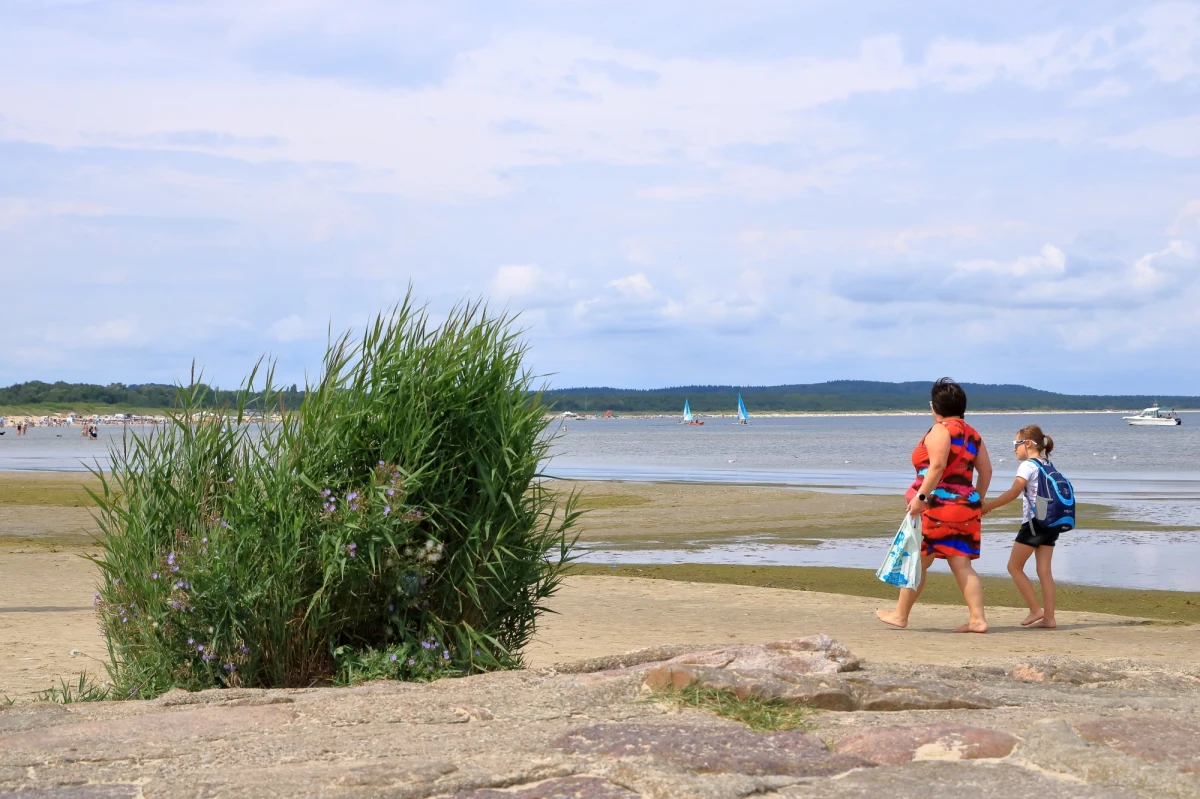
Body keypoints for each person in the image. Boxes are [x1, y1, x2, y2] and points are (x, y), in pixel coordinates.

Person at [877, 378, 993, 633]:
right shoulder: (973, 434)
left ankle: (900, 614)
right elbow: (986, 472)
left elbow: (938, 466)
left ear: (934, 406)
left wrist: (920, 498)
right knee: (962, 564)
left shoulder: (940, 430)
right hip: (966, 507)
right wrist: (978, 501)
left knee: (916, 561)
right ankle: (977, 619)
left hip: (937, 506)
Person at [981, 425, 1058, 629]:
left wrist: (987, 506)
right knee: (1045, 571)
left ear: (1028, 444)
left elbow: (1014, 491)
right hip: (1050, 522)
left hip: (1034, 524)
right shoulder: (1047, 464)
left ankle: (1035, 610)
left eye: (1016, 444)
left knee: (1014, 567)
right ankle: (1049, 618)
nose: (1014, 449)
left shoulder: (1028, 465)